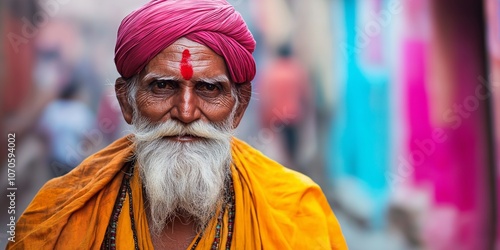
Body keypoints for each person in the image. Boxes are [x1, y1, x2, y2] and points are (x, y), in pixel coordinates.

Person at [8, 0, 347, 249]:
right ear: (126, 101)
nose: (185, 113)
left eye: (209, 89)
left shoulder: (296, 214)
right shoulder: (60, 217)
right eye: (162, 87)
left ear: (239, 106)